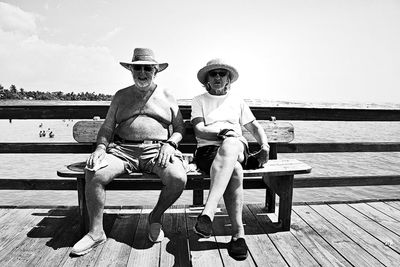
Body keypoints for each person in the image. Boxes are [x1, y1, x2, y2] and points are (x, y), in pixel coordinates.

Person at [71, 48, 187, 256]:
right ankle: (96, 232)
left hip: (157, 151)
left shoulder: (167, 95)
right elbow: (107, 128)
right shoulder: (121, 96)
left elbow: (180, 128)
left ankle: (155, 217)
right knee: (94, 172)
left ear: (156, 71)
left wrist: (171, 144)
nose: (142, 73)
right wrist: (100, 148)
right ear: (131, 71)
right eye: (137, 68)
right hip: (122, 151)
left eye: (147, 69)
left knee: (178, 177)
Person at [191, 59, 270, 261]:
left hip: (237, 147)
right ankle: (238, 234)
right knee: (234, 169)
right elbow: (199, 129)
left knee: (233, 142)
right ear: (207, 79)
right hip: (208, 151)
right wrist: (222, 133)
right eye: (213, 74)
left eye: (221, 74)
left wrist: (265, 146)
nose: (217, 77)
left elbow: (254, 128)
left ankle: (208, 211)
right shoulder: (199, 100)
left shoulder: (237, 101)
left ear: (228, 79)